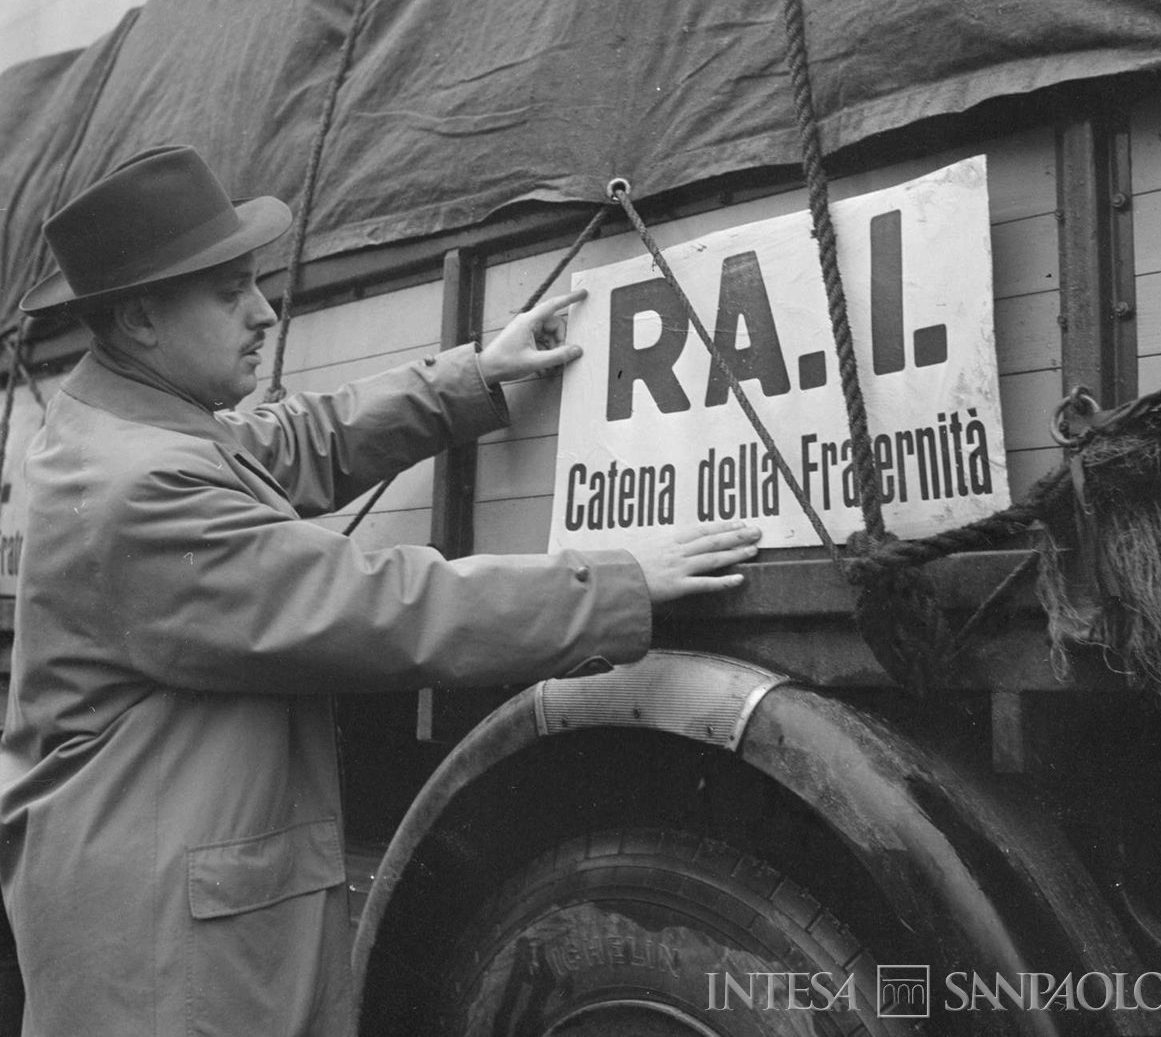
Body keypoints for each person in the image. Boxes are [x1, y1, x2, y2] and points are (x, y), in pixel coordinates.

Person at [0, 146, 760, 1036]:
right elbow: (377, 607)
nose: (262, 312)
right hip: (167, 965)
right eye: (229, 291)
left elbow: (287, 442)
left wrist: (470, 377)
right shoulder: (138, 489)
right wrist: (614, 587)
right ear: (138, 320)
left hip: (157, 909)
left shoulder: (129, 422)